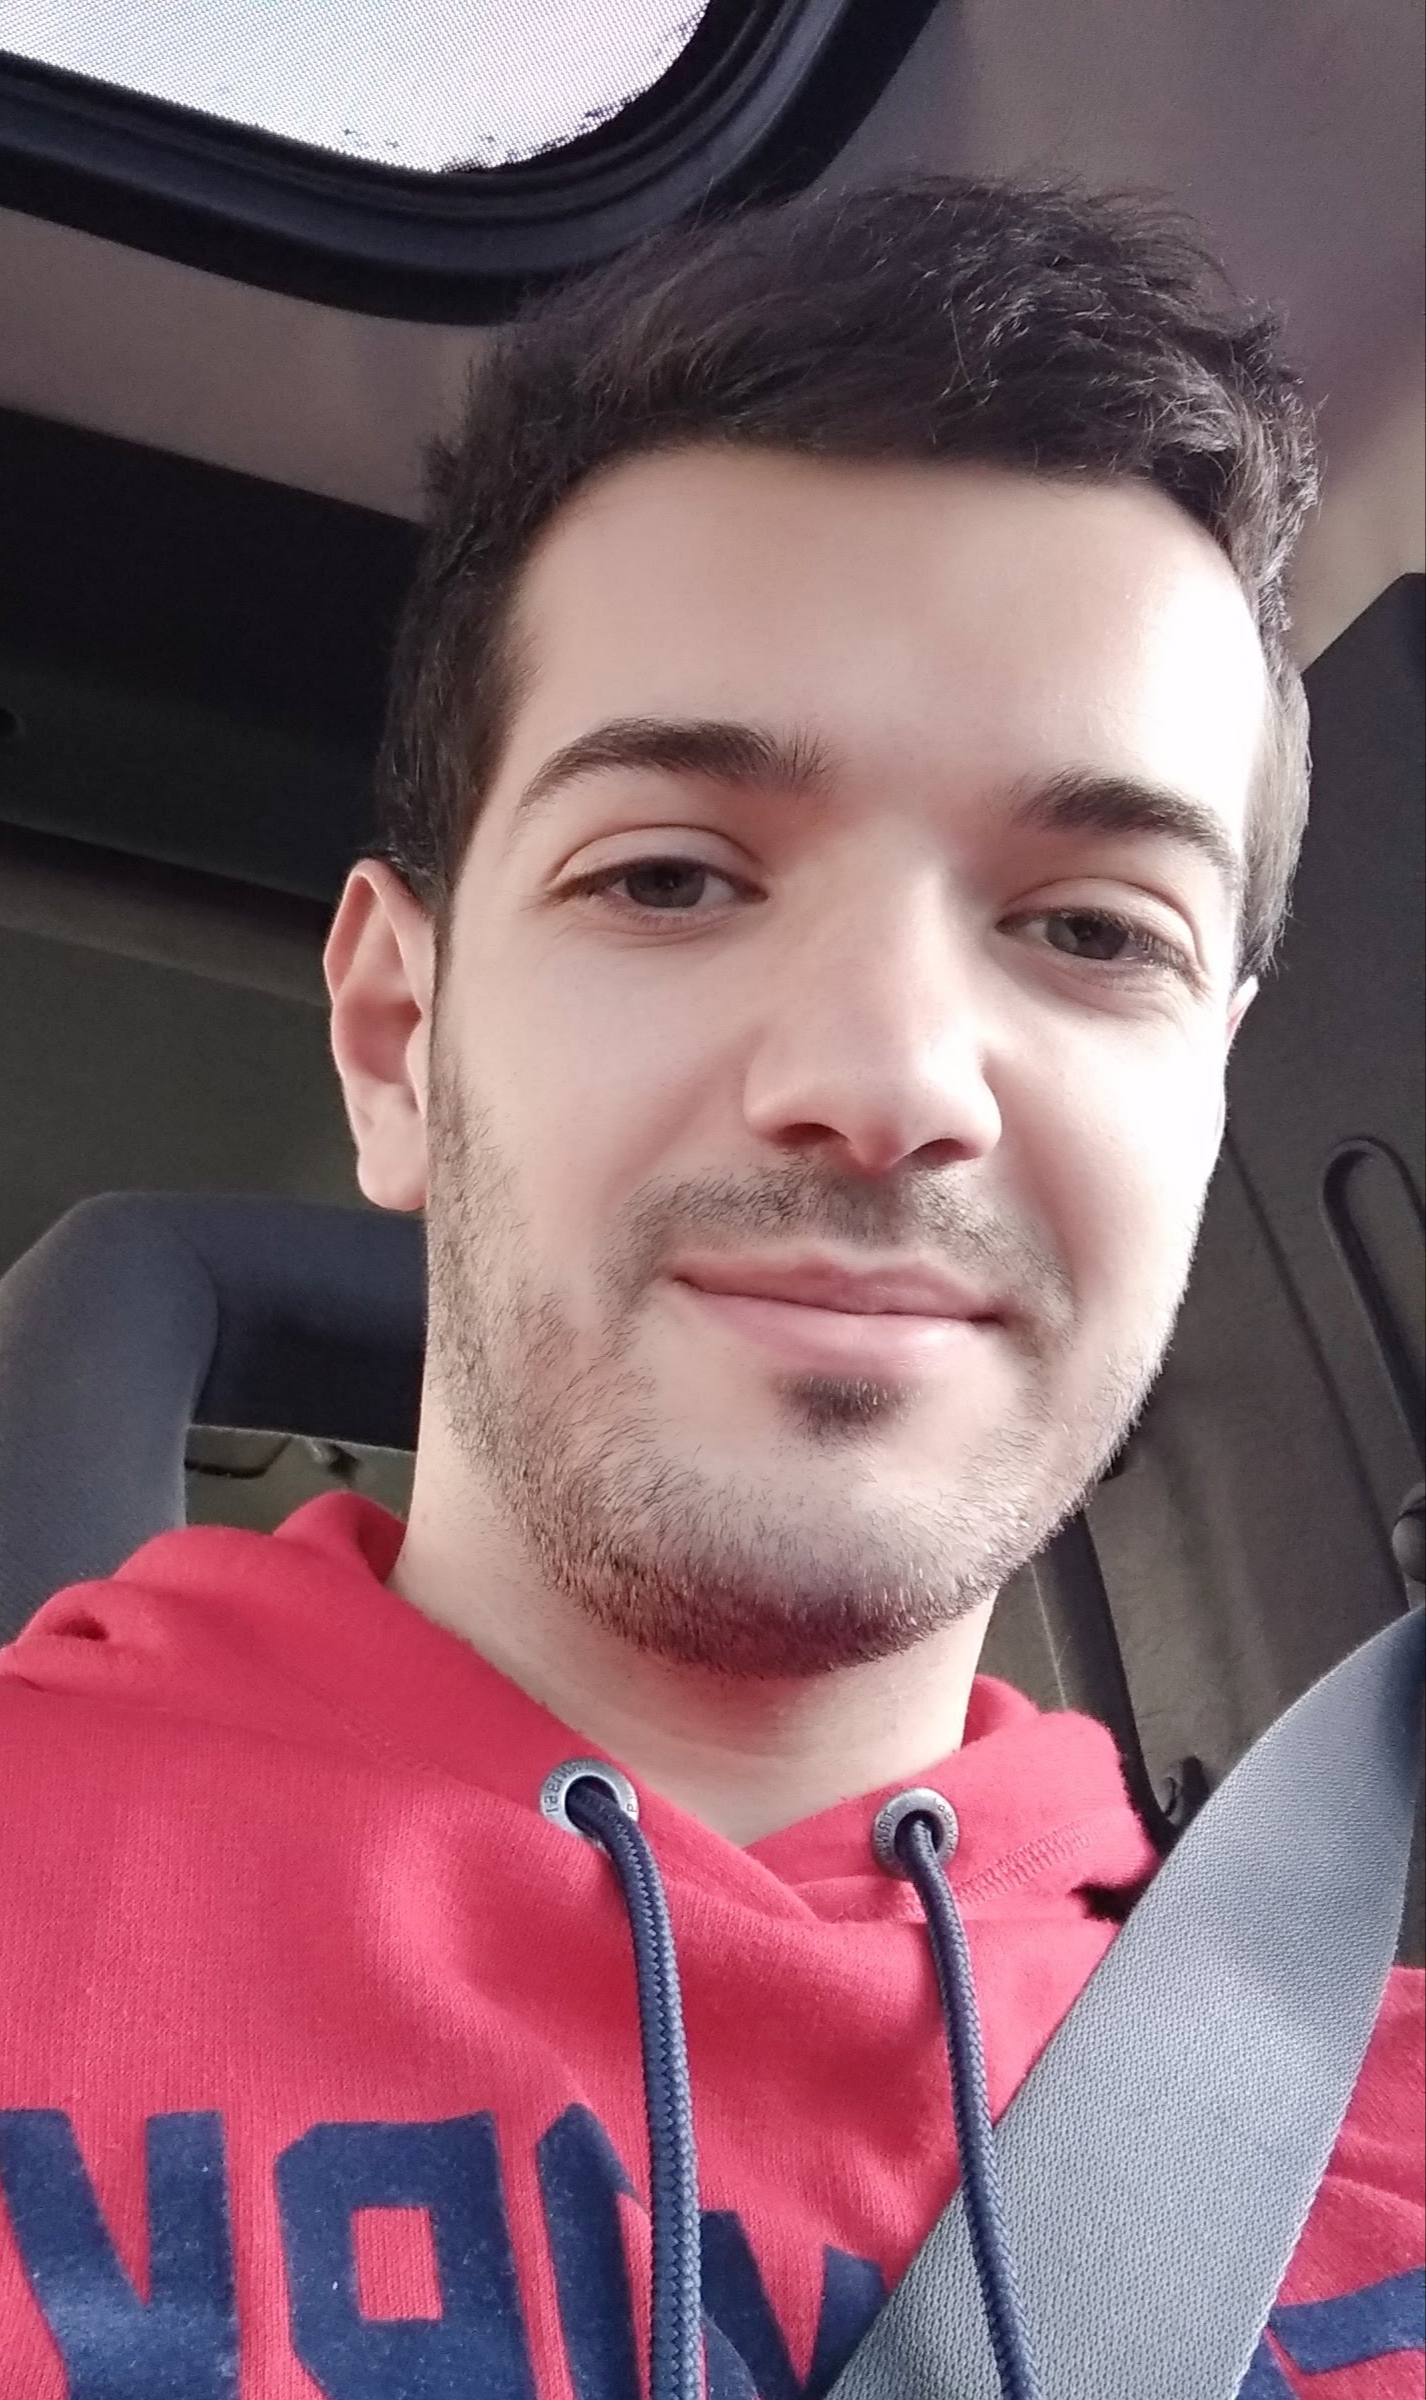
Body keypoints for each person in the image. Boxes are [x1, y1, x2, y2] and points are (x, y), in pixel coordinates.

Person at [0, 175, 1420, 2398]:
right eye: (667, 877)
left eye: (1089, 930)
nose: (887, 1083)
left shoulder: (1374, 2112)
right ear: (395, 1036)